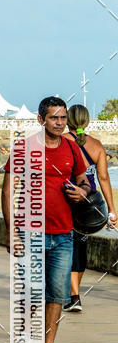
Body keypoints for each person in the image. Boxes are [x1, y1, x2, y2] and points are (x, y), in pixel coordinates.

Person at [2, 96, 91, 343]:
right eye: (54, 118)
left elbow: (84, 180)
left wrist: (82, 192)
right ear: (41, 119)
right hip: (30, 231)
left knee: (56, 294)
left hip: (64, 233)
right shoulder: (24, 148)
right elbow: (8, 190)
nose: (60, 123)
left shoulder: (72, 149)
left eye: (63, 118)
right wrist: (10, 231)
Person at [63, 104, 117, 312]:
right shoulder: (96, 145)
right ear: (87, 122)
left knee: (66, 247)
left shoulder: (62, 143)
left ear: (68, 121)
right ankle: (73, 294)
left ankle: (74, 296)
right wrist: (111, 210)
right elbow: (103, 178)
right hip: (90, 205)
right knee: (80, 247)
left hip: (66, 200)